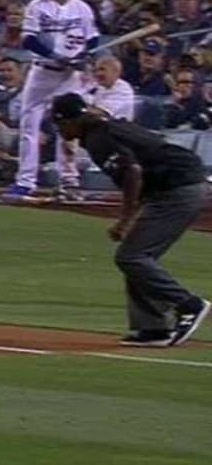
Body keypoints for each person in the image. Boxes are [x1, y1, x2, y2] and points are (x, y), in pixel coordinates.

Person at [51, 93, 209, 348]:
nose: (60, 131)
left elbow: (132, 173)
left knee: (132, 257)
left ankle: (188, 304)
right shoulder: (106, 127)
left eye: (60, 124)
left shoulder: (98, 138)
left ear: (71, 121)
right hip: (179, 183)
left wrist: (124, 220)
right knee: (136, 256)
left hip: (179, 187)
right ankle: (153, 328)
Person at [7, 0, 99, 202]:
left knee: (69, 128)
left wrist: (83, 55)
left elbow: (92, 39)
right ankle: (25, 182)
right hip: (43, 72)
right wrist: (56, 56)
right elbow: (28, 40)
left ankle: (68, 179)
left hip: (70, 77)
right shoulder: (37, 6)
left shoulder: (82, 8)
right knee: (29, 125)